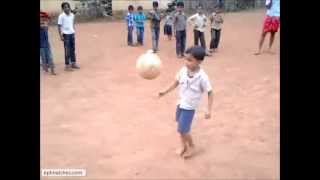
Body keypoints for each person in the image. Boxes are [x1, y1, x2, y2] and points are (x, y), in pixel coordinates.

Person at [158, 46, 214, 158]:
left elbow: (210, 92)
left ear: (199, 61)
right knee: (180, 126)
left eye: (190, 60)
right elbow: (176, 83)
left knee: (183, 129)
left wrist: (209, 109)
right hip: (180, 103)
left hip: (190, 106)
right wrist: (164, 91)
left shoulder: (202, 77)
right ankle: (183, 146)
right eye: (185, 59)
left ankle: (192, 146)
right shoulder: (183, 70)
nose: (186, 62)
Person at [58, 2, 80, 71]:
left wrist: (73, 30)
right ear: (62, 9)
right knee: (67, 50)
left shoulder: (72, 15)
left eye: (68, 7)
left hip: (72, 34)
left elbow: (72, 22)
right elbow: (59, 26)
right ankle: (67, 65)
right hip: (66, 35)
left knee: (72, 49)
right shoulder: (61, 16)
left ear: (69, 8)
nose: (67, 8)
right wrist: (61, 36)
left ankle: (73, 63)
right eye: (65, 7)